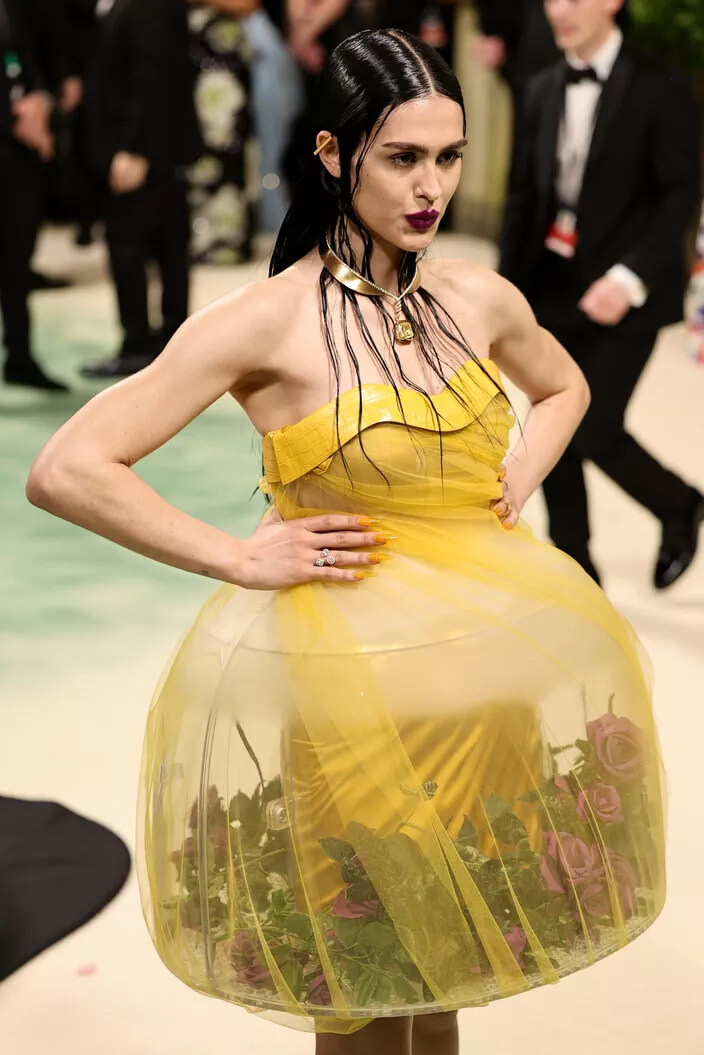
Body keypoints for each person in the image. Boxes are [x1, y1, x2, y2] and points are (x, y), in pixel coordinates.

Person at [28, 29, 666, 1054]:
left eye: (448, 157)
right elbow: (66, 466)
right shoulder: (265, 320)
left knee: (457, 963)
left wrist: (513, 476)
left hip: (483, 682)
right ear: (332, 154)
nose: (431, 187)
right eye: (401, 157)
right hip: (350, 697)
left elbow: (564, 387)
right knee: (363, 979)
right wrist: (237, 556)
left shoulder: (476, 297)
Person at [500, 0, 703, 589]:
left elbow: (681, 193)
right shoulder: (540, 87)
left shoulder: (660, 85)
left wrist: (628, 277)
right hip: (554, 284)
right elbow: (522, 199)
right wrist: (502, 296)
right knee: (551, 423)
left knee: (591, 426)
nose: (559, 10)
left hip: (630, 291)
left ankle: (679, 504)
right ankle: (577, 572)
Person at [81, 0, 202, 379]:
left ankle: (142, 345)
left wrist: (136, 148)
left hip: (140, 148)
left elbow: (155, 75)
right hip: (152, 146)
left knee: (133, 246)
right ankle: (170, 343)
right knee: (166, 243)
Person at [0, 0, 67, 391]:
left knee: (17, 255)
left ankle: (20, 356)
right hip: (11, 134)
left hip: (18, 155)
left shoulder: (17, 6)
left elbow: (31, 57)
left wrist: (41, 102)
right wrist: (13, 119)